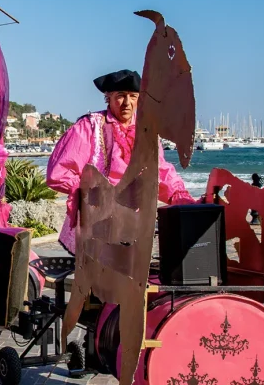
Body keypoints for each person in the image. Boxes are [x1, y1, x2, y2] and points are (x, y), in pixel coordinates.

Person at [47, 69, 195, 255]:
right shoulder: (88, 127)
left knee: (132, 278)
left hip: (133, 224)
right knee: (98, 280)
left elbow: (161, 173)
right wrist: (94, 193)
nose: (127, 103)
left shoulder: (147, 132)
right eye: (121, 96)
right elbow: (58, 174)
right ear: (108, 97)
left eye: (133, 96)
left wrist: (181, 198)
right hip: (95, 225)